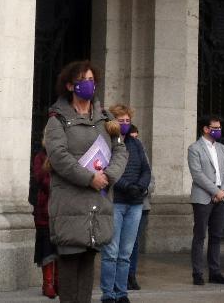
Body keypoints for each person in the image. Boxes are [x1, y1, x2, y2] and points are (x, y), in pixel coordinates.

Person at [44, 61, 128, 303]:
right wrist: (89, 178)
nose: (88, 85)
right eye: (83, 80)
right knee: (70, 273)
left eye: (92, 80)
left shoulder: (107, 119)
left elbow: (120, 151)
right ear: (70, 86)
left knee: (88, 270)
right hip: (71, 204)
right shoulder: (57, 120)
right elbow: (58, 157)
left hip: (97, 204)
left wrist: (108, 176)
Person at [101, 105, 152, 303]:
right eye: (120, 120)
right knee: (111, 252)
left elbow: (146, 169)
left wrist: (140, 186)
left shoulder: (137, 144)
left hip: (136, 203)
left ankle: (122, 293)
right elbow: (106, 168)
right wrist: (126, 185)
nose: (124, 124)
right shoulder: (107, 142)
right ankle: (108, 293)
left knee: (125, 253)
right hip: (116, 202)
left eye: (127, 121)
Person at [187, 114, 224, 287]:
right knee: (200, 236)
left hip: (221, 197)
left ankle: (215, 272)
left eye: (219, 128)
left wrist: (223, 191)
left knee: (216, 236)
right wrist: (215, 191)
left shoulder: (221, 148)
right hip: (203, 197)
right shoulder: (194, 148)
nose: (218, 131)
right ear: (205, 129)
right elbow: (197, 174)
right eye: (215, 128)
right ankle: (197, 273)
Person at [29, 138, 58, 299]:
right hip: (45, 209)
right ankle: (48, 283)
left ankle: (58, 281)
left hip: (63, 209)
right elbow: (41, 178)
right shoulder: (40, 156)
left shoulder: (65, 155)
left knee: (62, 246)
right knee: (47, 247)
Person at [126, 125, 152, 292]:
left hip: (141, 202)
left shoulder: (142, 153)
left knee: (134, 243)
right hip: (123, 200)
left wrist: (142, 188)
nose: (136, 140)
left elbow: (151, 177)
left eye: (137, 137)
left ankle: (131, 275)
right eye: (133, 137)